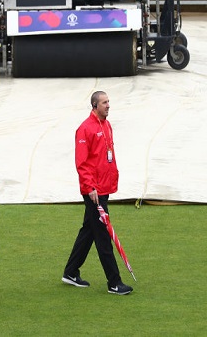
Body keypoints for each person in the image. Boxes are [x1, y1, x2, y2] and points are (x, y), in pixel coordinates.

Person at [62, 91, 133, 296]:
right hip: (93, 191)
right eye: (104, 102)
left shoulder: (107, 125)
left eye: (109, 101)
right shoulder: (85, 129)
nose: (108, 105)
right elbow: (82, 162)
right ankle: (114, 282)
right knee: (102, 234)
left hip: (103, 187)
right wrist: (90, 187)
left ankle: (70, 271)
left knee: (89, 230)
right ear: (94, 105)